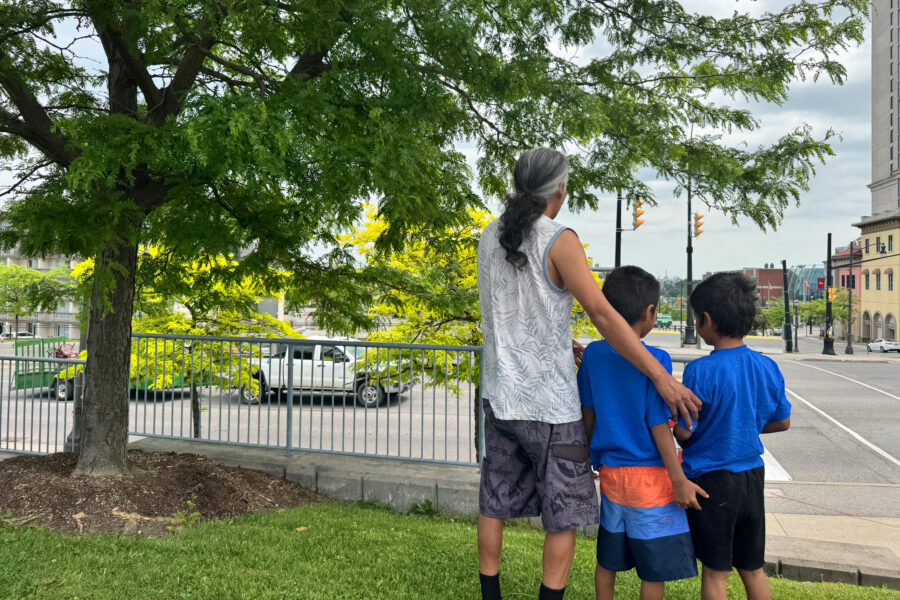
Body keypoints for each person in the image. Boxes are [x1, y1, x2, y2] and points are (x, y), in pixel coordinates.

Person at [476, 148, 701, 600]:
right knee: (563, 513)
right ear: (560, 189)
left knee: (494, 503)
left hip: (499, 394)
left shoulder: (488, 236)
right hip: (551, 406)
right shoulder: (560, 238)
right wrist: (660, 375)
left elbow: (513, 311)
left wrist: (559, 342)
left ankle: (491, 595)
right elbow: (600, 311)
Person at [578, 266, 707, 600]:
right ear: (650, 313)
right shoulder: (657, 359)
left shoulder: (592, 355)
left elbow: (587, 413)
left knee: (607, 560)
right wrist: (678, 479)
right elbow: (657, 424)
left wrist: (589, 456)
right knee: (653, 568)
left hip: (611, 475)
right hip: (651, 480)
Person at [674, 272, 792, 600]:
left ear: (706, 320)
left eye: (696, 317)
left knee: (716, 573)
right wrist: (745, 426)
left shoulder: (700, 371)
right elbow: (782, 422)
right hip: (752, 477)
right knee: (752, 568)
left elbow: (685, 431)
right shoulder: (767, 367)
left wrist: (674, 429)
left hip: (712, 482)